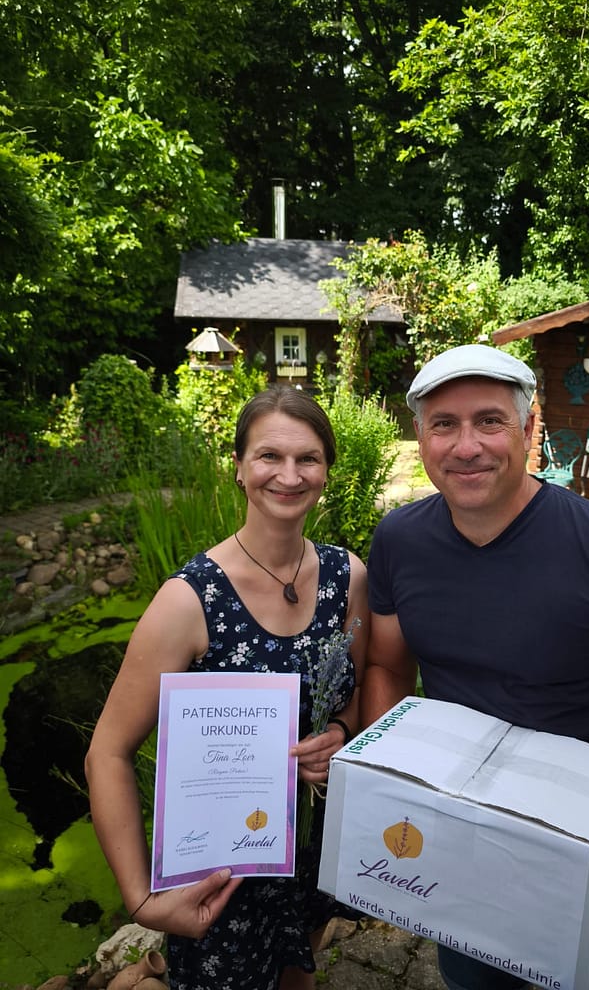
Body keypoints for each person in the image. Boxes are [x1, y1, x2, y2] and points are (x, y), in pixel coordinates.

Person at [360, 343, 589, 990]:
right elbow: (388, 669)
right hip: (467, 869)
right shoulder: (400, 543)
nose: (466, 445)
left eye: (489, 421)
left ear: (530, 430)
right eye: (443, 425)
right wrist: (392, 784)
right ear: (419, 437)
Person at [85, 386, 369, 990]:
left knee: (299, 973)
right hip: (220, 871)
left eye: (308, 458)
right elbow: (107, 752)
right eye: (269, 456)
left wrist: (340, 733)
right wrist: (139, 898)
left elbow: (353, 695)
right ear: (238, 467)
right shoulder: (189, 601)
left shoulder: (348, 577)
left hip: (309, 850)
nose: (289, 475)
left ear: (326, 470)